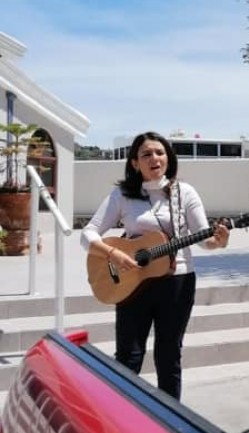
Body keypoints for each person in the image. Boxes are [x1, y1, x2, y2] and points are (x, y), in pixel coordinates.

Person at [81, 131, 229, 400]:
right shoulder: (122, 195)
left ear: (168, 158)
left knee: (169, 354)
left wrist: (218, 242)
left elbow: (204, 239)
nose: (154, 158)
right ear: (135, 163)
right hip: (130, 282)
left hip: (177, 282)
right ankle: (121, 419)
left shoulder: (185, 193)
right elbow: (87, 234)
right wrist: (113, 253)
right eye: (146, 154)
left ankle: (172, 422)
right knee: (128, 356)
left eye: (160, 153)